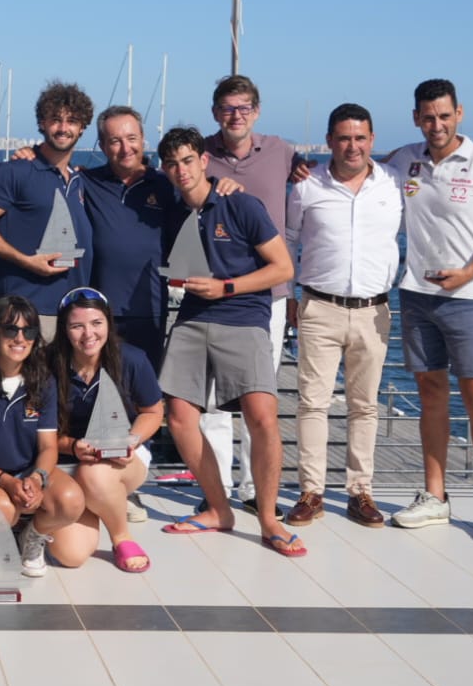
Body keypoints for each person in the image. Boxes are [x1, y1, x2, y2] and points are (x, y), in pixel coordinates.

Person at [155, 127, 305, 558]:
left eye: (188, 160)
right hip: (191, 319)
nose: (180, 170)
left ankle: (270, 518)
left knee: (261, 416)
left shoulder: (240, 203)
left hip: (242, 317)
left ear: (204, 160)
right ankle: (219, 509)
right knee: (180, 417)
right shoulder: (171, 211)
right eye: (171, 163)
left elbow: (283, 268)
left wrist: (227, 288)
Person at [388, 79, 473, 543]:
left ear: (459, 113)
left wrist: (467, 273)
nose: (436, 125)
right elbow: (354, 167)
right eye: (428, 117)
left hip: (468, 297)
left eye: (444, 116)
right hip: (416, 296)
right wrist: (301, 168)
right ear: (416, 118)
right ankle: (435, 497)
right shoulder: (404, 160)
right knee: (430, 394)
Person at [283, 104, 402, 529]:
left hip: (374, 311)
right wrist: (290, 295)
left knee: (365, 406)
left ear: (372, 140)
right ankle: (310, 492)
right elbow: (290, 239)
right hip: (319, 307)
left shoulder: (394, 182)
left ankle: (360, 492)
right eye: (344, 138)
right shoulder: (307, 185)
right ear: (330, 140)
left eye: (361, 137)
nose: (353, 146)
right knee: (312, 403)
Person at [198, 75, 305, 515]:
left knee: (257, 400)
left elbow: (337, 165)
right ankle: (217, 487)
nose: (235, 115)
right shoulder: (200, 155)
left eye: (243, 108)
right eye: (227, 108)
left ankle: (254, 488)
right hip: (212, 295)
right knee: (211, 402)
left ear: (256, 111)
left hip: (269, 295)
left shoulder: (281, 152)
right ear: (215, 112)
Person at [0, 295, 86, 576]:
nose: (20, 338)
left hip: (24, 471)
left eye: (29, 331)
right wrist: (7, 482)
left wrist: (36, 478)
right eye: (10, 329)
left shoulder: (43, 379)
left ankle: (31, 538)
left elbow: (48, 447)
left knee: (72, 500)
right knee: (2, 510)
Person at [0, 80, 94, 342]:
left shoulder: (81, 180)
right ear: (42, 123)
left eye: (72, 121)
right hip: (26, 315)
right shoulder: (16, 172)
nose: (63, 128)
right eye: (55, 119)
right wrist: (25, 260)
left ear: (82, 128)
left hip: (73, 313)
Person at [45, 287, 165, 573]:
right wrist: (73, 446)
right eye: (77, 326)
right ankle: (87, 505)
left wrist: (130, 441)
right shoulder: (46, 364)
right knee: (71, 555)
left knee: (94, 473)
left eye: (96, 323)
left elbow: (153, 411)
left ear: (109, 323)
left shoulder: (132, 359)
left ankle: (121, 536)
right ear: (64, 329)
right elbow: (38, 431)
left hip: (119, 459)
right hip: (64, 459)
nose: (88, 334)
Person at [78, 106, 172, 364]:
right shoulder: (85, 182)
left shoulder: (166, 185)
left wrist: (223, 185)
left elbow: (202, 194)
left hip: (149, 310)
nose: (125, 148)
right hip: (98, 311)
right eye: (115, 141)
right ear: (102, 146)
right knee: (99, 393)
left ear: (143, 139)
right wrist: (28, 154)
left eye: (131, 139)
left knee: (145, 393)